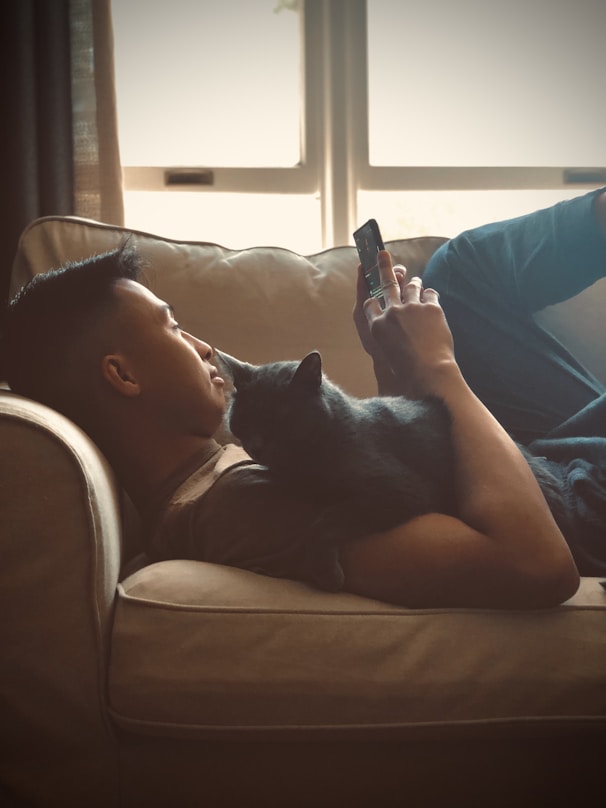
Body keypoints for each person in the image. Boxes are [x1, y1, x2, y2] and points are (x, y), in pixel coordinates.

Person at [2, 190, 604, 610]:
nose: (202, 346)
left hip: (542, 464)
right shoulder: (237, 506)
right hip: (578, 502)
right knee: (463, 272)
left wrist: (391, 363)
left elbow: (396, 473)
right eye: (173, 327)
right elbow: (536, 565)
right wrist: (438, 367)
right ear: (123, 375)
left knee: (459, 271)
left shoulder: (218, 479)